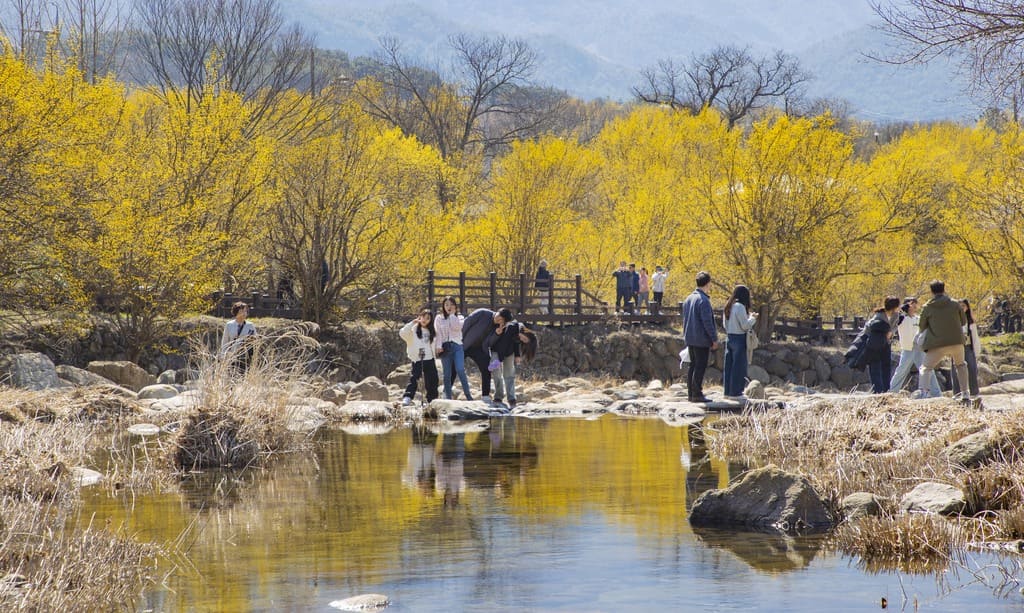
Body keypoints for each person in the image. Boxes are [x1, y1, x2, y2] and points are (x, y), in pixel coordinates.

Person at [918, 280, 972, 405]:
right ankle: (965, 393)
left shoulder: (927, 307)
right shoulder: (955, 304)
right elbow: (963, 321)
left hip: (937, 344)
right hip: (957, 342)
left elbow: (922, 326)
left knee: (925, 368)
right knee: (961, 365)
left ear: (931, 291)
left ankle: (924, 393)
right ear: (944, 289)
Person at [889, 297, 940, 395]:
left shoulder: (918, 318)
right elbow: (894, 322)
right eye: (912, 303)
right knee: (901, 370)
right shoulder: (901, 318)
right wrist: (903, 309)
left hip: (919, 348)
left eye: (915, 303)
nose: (914, 306)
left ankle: (936, 393)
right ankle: (892, 391)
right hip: (907, 348)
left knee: (928, 370)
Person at [484, 318, 538, 409]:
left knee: (509, 374)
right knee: (496, 373)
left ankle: (511, 398)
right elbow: (503, 344)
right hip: (497, 350)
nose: (522, 340)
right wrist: (499, 361)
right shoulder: (512, 327)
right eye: (524, 338)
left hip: (509, 353)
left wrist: (517, 355)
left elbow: (515, 343)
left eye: (524, 341)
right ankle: (498, 397)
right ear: (526, 333)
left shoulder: (520, 330)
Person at [681, 271, 718, 403]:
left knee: (693, 366)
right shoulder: (703, 300)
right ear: (708, 283)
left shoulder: (689, 298)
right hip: (701, 339)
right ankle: (697, 394)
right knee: (700, 366)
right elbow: (707, 322)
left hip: (690, 337)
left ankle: (691, 393)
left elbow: (684, 319)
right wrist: (714, 339)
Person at [462, 307, 510, 403]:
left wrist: (496, 334)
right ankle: (447, 392)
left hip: (479, 348)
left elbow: (489, 343)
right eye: (499, 316)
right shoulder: (482, 313)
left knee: (486, 368)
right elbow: (467, 323)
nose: (498, 320)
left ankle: (485, 395)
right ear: (498, 312)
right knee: (455, 367)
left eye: (501, 320)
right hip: (464, 344)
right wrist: (460, 338)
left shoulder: (498, 328)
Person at [434, 296, 473, 401]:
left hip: (457, 346)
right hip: (445, 347)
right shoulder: (439, 318)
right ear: (443, 306)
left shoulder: (460, 317)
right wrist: (438, 346)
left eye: (451, 304)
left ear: (455, 306)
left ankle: (468, 395)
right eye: (446, 305)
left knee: (460, 369)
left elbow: (457, 327)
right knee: (447, 373)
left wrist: (452, 315)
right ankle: (448, 397)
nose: (448, 307)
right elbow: (438, 334)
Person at [722, 285, 757, 398]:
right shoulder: (740, 306)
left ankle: (727, 392)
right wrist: (753, 318)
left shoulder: (729, 305)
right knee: (739, 366)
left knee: (729, 366)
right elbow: (745, 326)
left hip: (729, 337)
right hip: (739, 338)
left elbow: (724, 324)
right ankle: (736, 392)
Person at [399, 309, 439, 406]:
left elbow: (436, 342)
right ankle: (408, 397)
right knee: (414, 379)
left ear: (431, 320)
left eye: (428, 318)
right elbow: (402, 333)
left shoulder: (432, 331)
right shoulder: (414, 329)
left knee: (433, 380)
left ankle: (431, 400)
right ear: (419, 317)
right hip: (418, 359)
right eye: (423, 317)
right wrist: (412, 322)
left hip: (430, 359)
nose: (425, 320)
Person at [863, 296, 899, 394]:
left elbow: (895, 327)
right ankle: (878, 391)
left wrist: (890, 332)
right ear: (894, 306)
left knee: (885, 367)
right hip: (875, 344)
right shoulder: (879, 314)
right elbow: (868, 327)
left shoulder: (895, 315)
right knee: (875, 366)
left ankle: (885, 390)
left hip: (886, 344)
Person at [951, 298, 982, 400]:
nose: (961, 308)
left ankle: (974, 392)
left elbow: (975, 336)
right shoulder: (953, 319)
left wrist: (977, 351)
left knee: (972, 369)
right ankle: (957, 393)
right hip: (956, 346)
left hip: (968, 347)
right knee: (956, 370)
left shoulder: (970, 321)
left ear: (967, 307)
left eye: (963, 306)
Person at [220, 301, 257, 371]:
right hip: (232, 356)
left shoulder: (250, 325)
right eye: (242, 311)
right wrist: (223, 356)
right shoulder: (229, 325)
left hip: (246, 357)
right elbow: (225, 342)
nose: (244, 313)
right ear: (236, 312)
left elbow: (256, 341)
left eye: (245, 311)